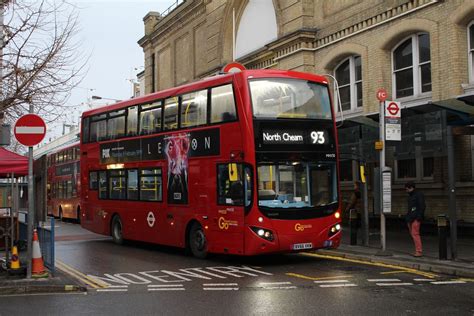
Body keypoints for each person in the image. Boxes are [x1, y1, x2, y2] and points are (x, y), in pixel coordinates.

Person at [405, 181, 425, 257]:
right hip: (411, 217)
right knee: (413, 234)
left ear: (411, 188)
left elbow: (422, 206)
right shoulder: (411, 196)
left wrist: (419, 217)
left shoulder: (418, 195)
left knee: (415, 234)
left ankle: (419, 251)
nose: (406, 191)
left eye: (407, 189)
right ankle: (417, 250)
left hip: (416, 217)